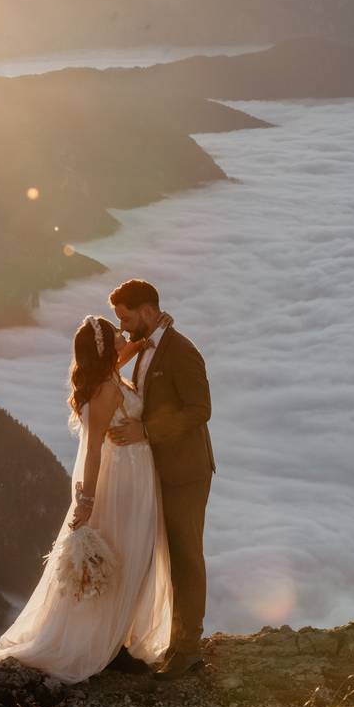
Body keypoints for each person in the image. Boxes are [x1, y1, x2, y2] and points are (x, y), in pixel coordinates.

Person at [0, 315, 173, 683]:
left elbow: (117, 360)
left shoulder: (106, 378)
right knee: (127, 557)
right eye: (117, 335)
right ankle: (110, 645)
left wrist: (148, 340)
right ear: (104, 348)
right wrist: (86, 499)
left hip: (133, 478)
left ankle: (116, 639)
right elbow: (93, 452)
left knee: (133, 556)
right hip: (121, 485)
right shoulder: (105, 390)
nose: (123, 336)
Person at [105, 279, 215, 679]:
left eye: (127, 316)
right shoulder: (147, 344)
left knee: (186, 556)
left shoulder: (182, 351)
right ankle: (166, 639)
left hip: (185, 473)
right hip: (155, 471)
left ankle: (188, 649)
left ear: (148, 311)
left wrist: (146, 432)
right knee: (159, 556)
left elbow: (200, 409)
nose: (123, 326)